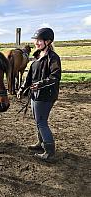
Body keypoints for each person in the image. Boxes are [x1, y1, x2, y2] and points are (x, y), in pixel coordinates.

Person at [17, 27, 61, 161]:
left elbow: (55, 76)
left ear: (48, 42)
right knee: (38, 121)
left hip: (46, 95)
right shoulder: (37, 56)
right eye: (36, 40)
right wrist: (22, 88)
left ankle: (49, 152)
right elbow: (30, 76)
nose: (36, 43)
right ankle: (40, 143)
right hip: (35, 95)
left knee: (41, 122)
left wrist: (41, 84)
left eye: (39, 41)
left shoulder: (53, 58)